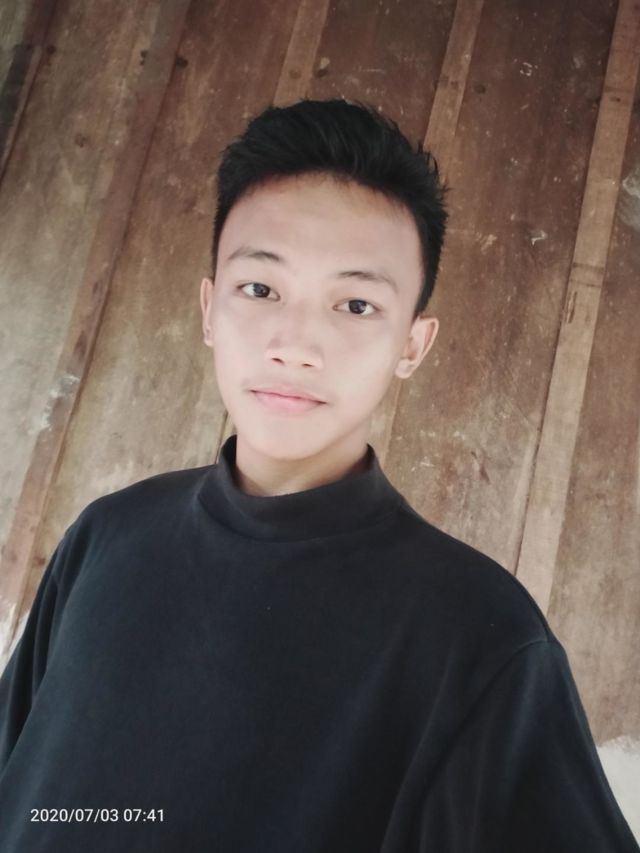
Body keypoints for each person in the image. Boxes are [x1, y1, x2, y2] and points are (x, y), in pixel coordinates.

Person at [0, 97, 637, 852]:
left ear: (412, 345)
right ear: (208, 309)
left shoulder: (481, 642)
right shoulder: (108, 536)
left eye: (356, 304)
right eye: (260, 289)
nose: (295, 345)